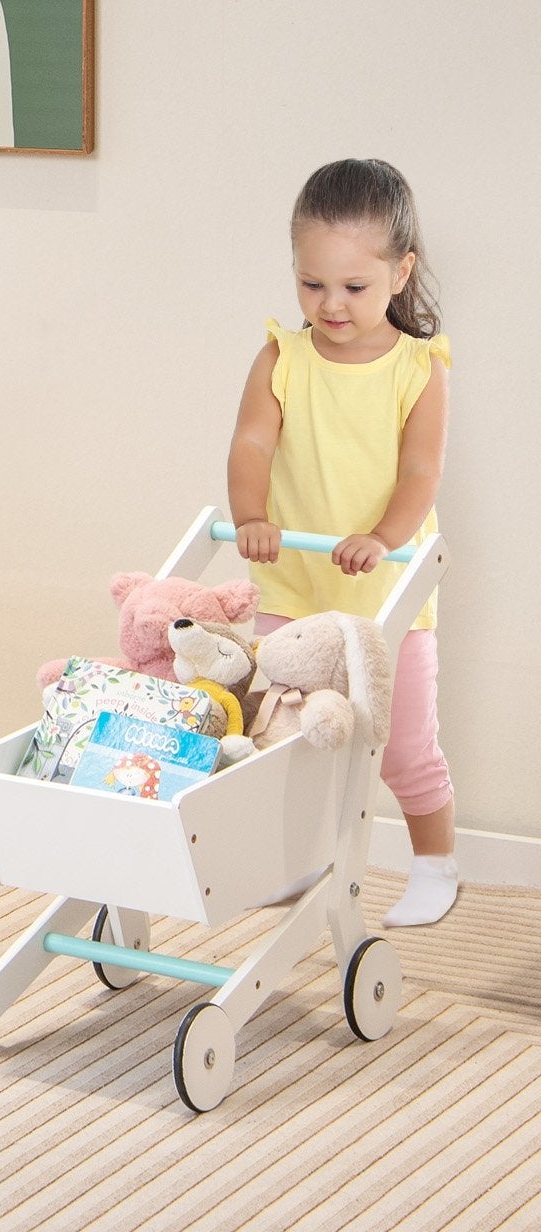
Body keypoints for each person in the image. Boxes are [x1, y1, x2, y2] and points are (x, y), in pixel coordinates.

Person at [227, 157, 454, 927]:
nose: (330, 304)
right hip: (296, 590)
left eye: (354, 287)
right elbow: (251, 447)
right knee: (280, 735)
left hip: (387, 589)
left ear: (401, 272)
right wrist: (250, 513)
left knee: (401, 746)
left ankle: (435, 864)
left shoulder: (418, 369)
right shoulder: (280, 360)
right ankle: (291, 864)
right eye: (310, 283)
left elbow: (422, 473)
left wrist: (383, 538)